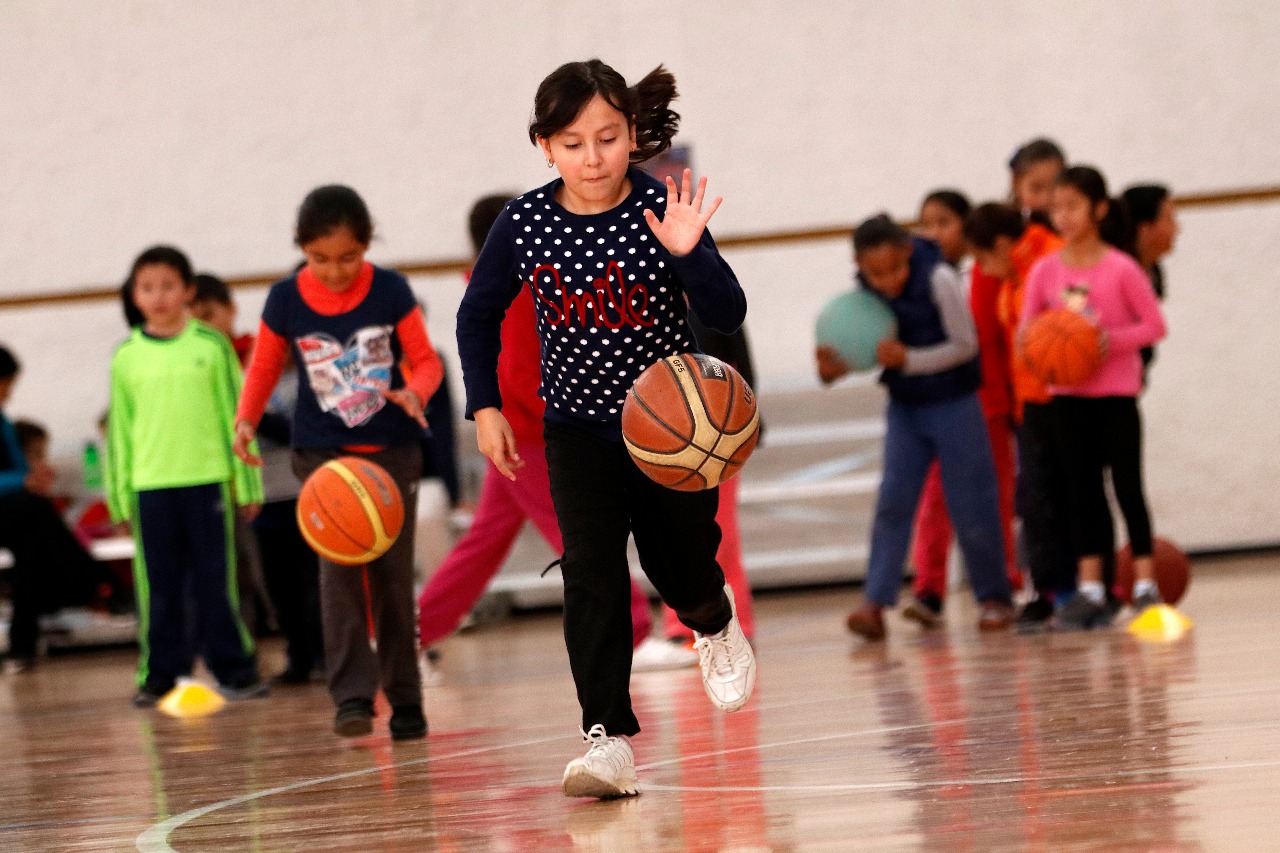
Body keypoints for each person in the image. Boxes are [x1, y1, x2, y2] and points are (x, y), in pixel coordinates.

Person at [456, 59, 756, 799]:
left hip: (669, 431)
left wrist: (692, 258)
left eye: (608, 138)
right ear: (544, 146)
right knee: (589, 572)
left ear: (632, 137)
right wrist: (485, 404)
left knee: (676, 561)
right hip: (577, 432)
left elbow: (727, 313)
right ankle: (606, 737)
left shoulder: (661, 208)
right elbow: (478, 313)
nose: (592, 158)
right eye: (572, 142)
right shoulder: (523, 222)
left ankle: (713, 622)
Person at [417, 195, 665, 673]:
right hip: (534, 439)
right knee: (585, 541)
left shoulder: (514, 285)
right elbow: (516, 374)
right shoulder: (512, 292)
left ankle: (406, 639)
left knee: (480, 549)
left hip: (522, 435)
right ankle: (634, 635)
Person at [234, 185, 444, 740]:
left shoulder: (392, 290)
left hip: (391, 454)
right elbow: (262, 368)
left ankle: (406, 703)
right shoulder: (285, 300)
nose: (334, 270)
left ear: (367, 246)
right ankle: (351, 698)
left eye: (348, 257)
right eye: (320, 258)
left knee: (393, 583)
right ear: (302, 249)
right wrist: (245, 421)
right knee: (338, 577)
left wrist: (416, 393)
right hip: (322, 455)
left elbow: (425, 362)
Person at [819, 215, 1014, 640]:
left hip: (956, 405)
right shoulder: (862, 298)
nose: (887, 280)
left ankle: (994, 598)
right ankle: (875, 603)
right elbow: (866, 352)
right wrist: (833, 370)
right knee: (893, 502)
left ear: (908, 252)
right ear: (859, 265)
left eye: (894, 269)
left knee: (973, 504)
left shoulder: (940, 277)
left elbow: (966, 345)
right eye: (875, 272)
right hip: (906, 409)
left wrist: (908, 359)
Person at [105, 247, 267, 705]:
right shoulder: (126, 357)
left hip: (209, 483)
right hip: (150, 489)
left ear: (188, 292)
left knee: (217, 584)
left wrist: (248, 482)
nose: (158, 296)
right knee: (159, 587)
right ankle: (159, 675)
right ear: (135, 296)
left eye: (168, 286)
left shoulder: (212, 348)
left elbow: (238, 418)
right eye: (147, 287)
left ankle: (235, 671)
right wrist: (118, 499)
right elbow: (121, 432)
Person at [1020, 166, 1167, 629]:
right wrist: (1042, 345)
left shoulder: (1120, 268)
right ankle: (1091, 590)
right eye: (1056, 207)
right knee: (1082, 493)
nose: (1062, 216)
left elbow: (1155, 326)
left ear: (1099, 210)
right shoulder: (1045, 271)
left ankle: (1145, 586)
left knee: (1127, 488)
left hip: (1116, 396)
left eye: (1072, 206)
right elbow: (1027, 329)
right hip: (1067, 396)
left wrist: (1107, 341)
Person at [902, 190, 1022, 627]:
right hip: (937, 407)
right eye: (926, 223)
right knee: (934, 503)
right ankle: (929, 591)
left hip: (989, 405)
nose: (933, 232)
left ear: (966, 228)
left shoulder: (988, 277)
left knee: (995, 501)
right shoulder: (916, 280)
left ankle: (1001, 587)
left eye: (944, 222)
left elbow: (1006, 342)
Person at [964, 202, 1072, 631]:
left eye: (984, 258)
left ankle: (1080, 587)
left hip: (1063, 397)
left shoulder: (1051, 259)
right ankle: (1046, 589)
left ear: (1005, 244)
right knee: (1034, 499)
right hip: (1027, 402)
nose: (984, 271)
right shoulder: (1013, 276)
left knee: (1066, 496)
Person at [0, 351, 112, 673]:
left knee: (32, 546)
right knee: (36, 512)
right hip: (13, 507)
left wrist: (33, 478)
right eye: (7, 384)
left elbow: (20, 472)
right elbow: (18, 477)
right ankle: (90, 582)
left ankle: (22, 647)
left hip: (13, 512)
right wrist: (24, 481)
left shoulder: (3, 422)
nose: (9, 392)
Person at [1121, 183, 1178, 385]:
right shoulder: (1115, 274)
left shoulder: (1153, 272)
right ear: (1144, 229)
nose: (1177, 228)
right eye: (1169, 219)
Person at [1008, 138, 1066, 228]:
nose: (1045, 200)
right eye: (1036, 188)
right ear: (1015, 182)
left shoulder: (1068, 231)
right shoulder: (1002, 231)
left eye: (1054, 188)